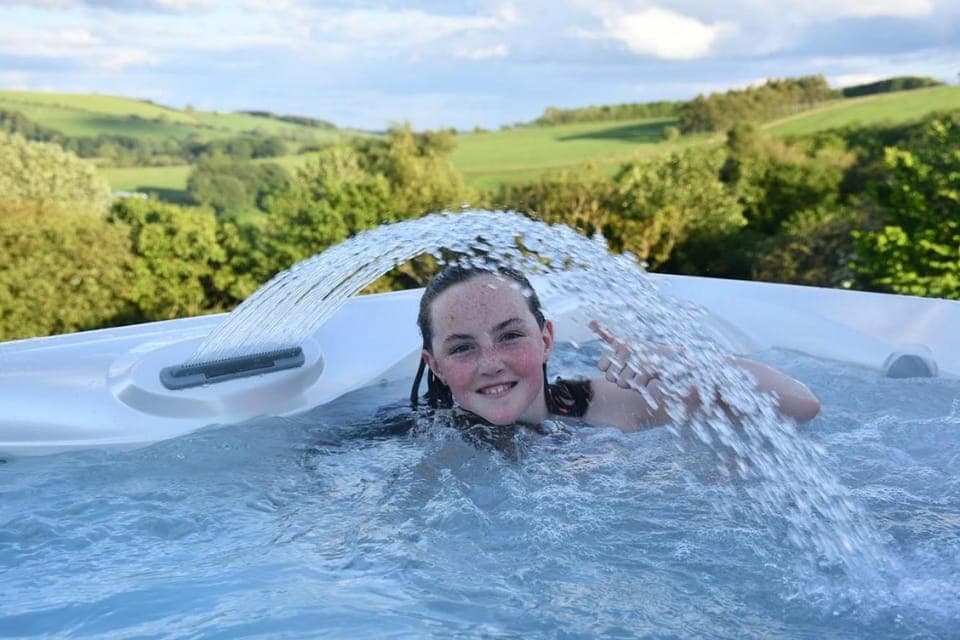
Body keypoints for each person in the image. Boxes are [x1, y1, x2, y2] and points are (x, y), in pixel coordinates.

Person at [410, 265, 820, 433]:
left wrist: (678, 362)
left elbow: (799, 404)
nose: (491, 363)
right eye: (463, 348)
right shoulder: (418, 446)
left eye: (510, 336)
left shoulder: (594, 402)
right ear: (436, 366)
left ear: (546, 340)